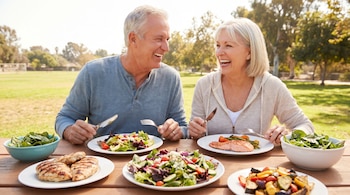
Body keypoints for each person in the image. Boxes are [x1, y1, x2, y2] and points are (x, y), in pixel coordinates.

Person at [55, 5, 187, 145]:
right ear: (133, 39)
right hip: (103, 162)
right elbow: (65, 117)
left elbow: (182, 126)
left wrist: (177, 131)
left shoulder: (171, 78)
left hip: (152, 164)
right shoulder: (93, 72)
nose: (166, 47)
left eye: (167, 39)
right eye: (159, 39)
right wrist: (69, 130)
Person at [188, 18, 314, 145]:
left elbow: (305, 126)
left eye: (228, 45)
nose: (219, 53)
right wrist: (195, 131)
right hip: (213, 163)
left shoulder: (272, 86)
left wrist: (288, 136)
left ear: (249, 52)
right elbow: (194, 134)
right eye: (218, 45)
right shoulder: (204, 85)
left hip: (256, 164)